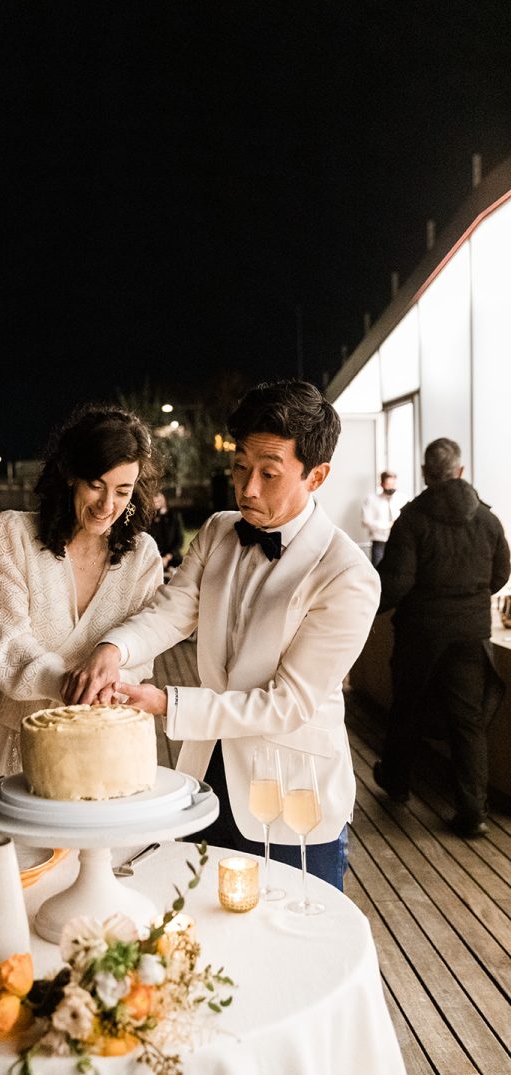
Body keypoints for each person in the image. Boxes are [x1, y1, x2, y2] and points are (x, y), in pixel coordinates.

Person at [62, 379, 381, 891]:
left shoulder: (349, 575)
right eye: (240, 467)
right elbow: (169, 613)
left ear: (317, 476)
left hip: (291, 796)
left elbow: (287, 704)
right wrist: (112, 650)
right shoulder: (217, 531)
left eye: (269, 474)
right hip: (205, 780)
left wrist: (167, 702)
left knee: (290, 947)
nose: (247, 488)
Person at [0, 404, 164, 858]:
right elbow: (7, 643)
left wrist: (108, 685)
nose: (107, 505)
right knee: (6, 889)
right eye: (96, 485)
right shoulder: (12, 534)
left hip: (104, 751)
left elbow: (139, 659)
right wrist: (66, 682)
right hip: (12, 740)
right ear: (69, 474)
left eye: (123, 490)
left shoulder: (143, 557)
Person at [372, 438, 509, 837]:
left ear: (425, 474)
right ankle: (473, 812)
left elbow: (397, 583)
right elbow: (501, 574)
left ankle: (396, 782)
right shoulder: (487, 520)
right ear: (460, 472)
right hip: (471, 634)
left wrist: (365, 610)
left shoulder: (412, 520)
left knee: (407, 707)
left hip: (421, 633)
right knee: (468, 723)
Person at [361, 471, 408, 566]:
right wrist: (386, 525)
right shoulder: (371, 499)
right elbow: (366, 521)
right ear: (382, 484)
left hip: (399, 541)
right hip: (379, 542)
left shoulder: (403, 498)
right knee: (378, 570)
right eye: (388, 484)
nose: (391, 487)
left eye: (393, 484)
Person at [148, 490, 185, 576]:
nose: (156, 503)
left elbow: (179, 541)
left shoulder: (174, 517)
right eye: (153, 501)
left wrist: (167, 558)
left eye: (158, 500)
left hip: (173, 559)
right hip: (155, 560)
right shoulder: (148, 520)